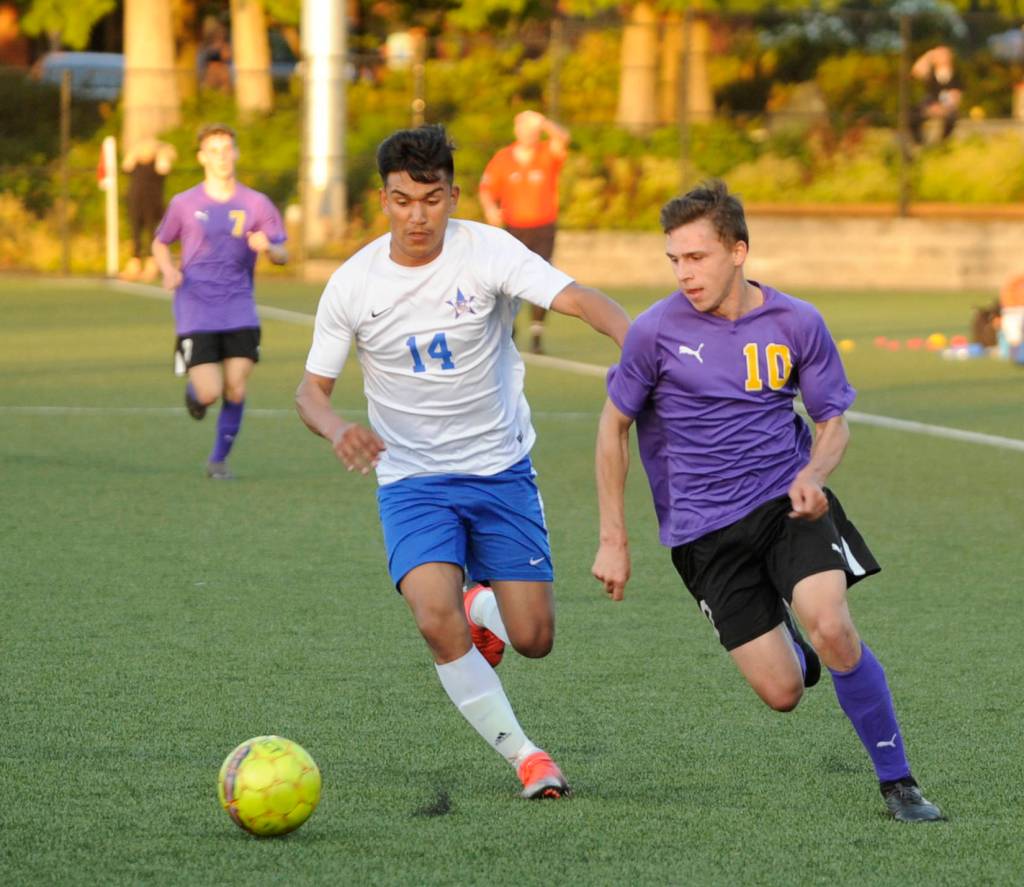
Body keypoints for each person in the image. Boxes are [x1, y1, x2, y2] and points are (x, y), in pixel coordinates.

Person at [591, 180, 944, 823]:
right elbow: (613, 426)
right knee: (783, 691)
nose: (683, 273)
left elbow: (833, 418)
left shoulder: (796, 322)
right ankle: (790, 643)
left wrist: (813, 473)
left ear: (739, 251)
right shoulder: (653, 332)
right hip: (701, 533)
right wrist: (614, 537)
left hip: (787, 504)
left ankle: (899, 784)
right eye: (674, 259)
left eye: (696, 257)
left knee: (833, 626)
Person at [295, 124, 629, 799]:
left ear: (452, 194)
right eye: (401, 200)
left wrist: (641, 343)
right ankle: (527, 756)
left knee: (534, 638)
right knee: (431, 615)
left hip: (501, 470)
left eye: (431, 198)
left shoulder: (489, 251)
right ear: (382, 199)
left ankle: (482, 600)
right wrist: (334, 428)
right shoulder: (353, 283)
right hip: (412, 479)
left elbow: (580, 299)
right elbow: (310, 390)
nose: (417, 216)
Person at [152, 123, 287, 480]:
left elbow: (283, 251)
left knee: (237, 387)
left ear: (236, 153)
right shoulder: (184, 203)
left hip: (239, 306)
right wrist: (168, 270)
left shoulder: (256, 202)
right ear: (201, 158)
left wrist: (270, 249)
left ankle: (218, 460)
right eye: (214, 150)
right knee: (211, 392)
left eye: (227, 149)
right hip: (195, 308)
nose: (222, 157)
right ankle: (196, 394)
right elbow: (160, 241)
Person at [479, 110, 570, 355]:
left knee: (542, 275)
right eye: (524, 128)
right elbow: (486, 188)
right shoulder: (503, 158)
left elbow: (563, 139)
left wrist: (544, 122)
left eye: (532, 129)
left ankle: (537, 333)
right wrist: (490, 209)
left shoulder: (546, 154)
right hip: (513, 228)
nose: (528, 134)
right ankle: (510, 327)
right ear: (516, 131)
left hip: (543, 226)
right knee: (509, 278)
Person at [121, 138, 177, 282]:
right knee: (135, 232)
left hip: (153, 202)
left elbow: (164, 167)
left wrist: (161, 151)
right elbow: (126, 166)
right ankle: (135, 262)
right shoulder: (135, 164)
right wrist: (134, 152)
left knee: (153, 233)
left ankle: (153, 263)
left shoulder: (158, 164)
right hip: (136, 201)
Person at [909, 45, 962, 145]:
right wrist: (929, 56)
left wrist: (942, 108)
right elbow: (916, 71)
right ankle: (920, 143)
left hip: (946, 109)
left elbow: (956, 97)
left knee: (951, 120)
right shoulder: (931, 74)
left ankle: (942, 145)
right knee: (912, 116)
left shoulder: (955, 75)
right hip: (929, 106)